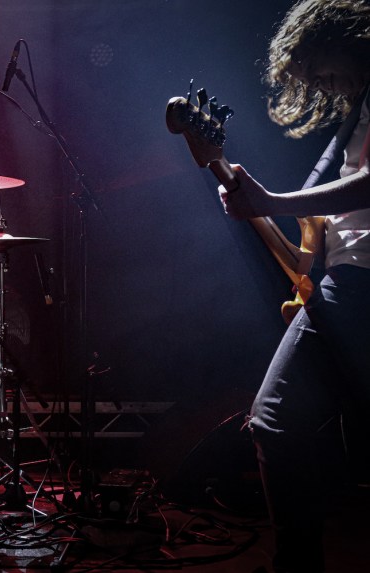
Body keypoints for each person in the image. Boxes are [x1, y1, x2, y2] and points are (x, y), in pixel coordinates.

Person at [218, 2, 370, 571]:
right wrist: (271, 211)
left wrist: (273, 201)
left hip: (361, 280)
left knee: (276, 419)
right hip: (348, 274)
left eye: (319, 68)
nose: (321, 83)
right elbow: (336, 205)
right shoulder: (359, 107)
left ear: (343, 37)